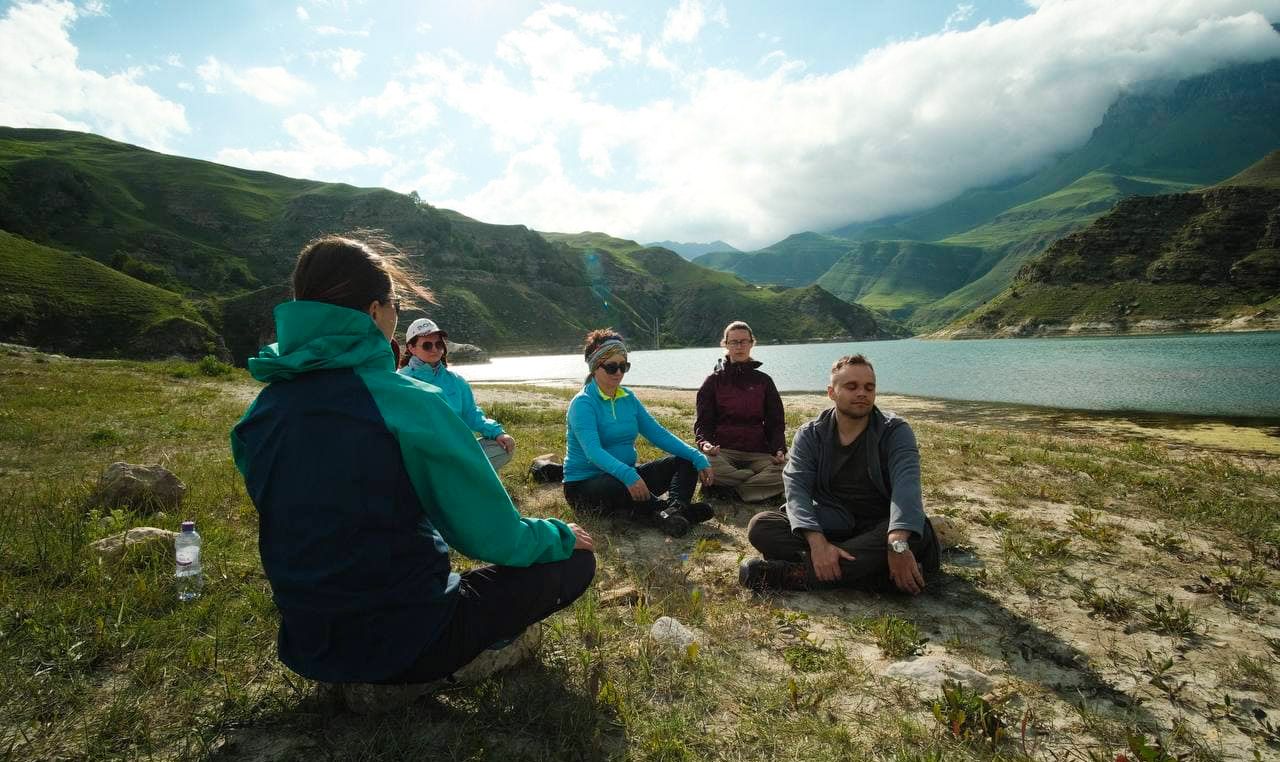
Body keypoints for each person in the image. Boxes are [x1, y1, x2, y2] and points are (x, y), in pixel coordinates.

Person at [230, 233, 595, 713]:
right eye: (396, 306)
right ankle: (459, 659)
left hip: (307, 640)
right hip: (407, 639)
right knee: (574, 562)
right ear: (376, 311)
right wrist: (558, 535)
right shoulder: (407, 403)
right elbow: (494, 537)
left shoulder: (261, 412)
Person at [740, 354, 940, 593]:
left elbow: (907, 487)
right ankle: (875, 576)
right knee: (762, 527)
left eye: (869, 387)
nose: (862, 393)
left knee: (915, 533)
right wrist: (817, 542)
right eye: (851, 386)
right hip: (832, 524)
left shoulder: (895, 430)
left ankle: (796, 575)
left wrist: (897, 541)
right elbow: (796, 489)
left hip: (881, 529)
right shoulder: (811, 434)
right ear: (831, 392)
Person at [562, 328, 716, 537]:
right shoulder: (583, 403)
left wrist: (697, 456)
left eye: (623, 366)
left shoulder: (628, 398)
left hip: (627, 476)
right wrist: (628, 475)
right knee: (613, 482)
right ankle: (665, 512)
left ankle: (675, 510)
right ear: (594, 367)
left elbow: (658, 434)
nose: (618, 372)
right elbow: (593, 452)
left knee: (684, 460)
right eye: (611, 367)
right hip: (586, 487)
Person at [398, 318, 516, 471]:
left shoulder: (456, 381)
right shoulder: (401, 381)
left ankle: (456, 477)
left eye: (439, 344)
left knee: (502, 447)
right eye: (427, 345)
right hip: (423, 455)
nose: (434, 349)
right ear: (411, 348)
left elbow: (472, 414)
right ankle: (459, 478)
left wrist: (497, 433)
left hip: (457, 449)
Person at [694, 320, 787, 502]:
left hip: (758, 451)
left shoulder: (764, 381)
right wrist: (704, 443)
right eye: (734, 342)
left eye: (744, 341)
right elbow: (704, 421)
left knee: (789, 469)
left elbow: (775, 420)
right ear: (725, 344)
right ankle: (755, 487)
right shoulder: (713, 381)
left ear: (752, 343)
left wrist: (779, 448)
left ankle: (731, 489)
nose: (739, 346)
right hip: (723, 451)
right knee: (700, 463)